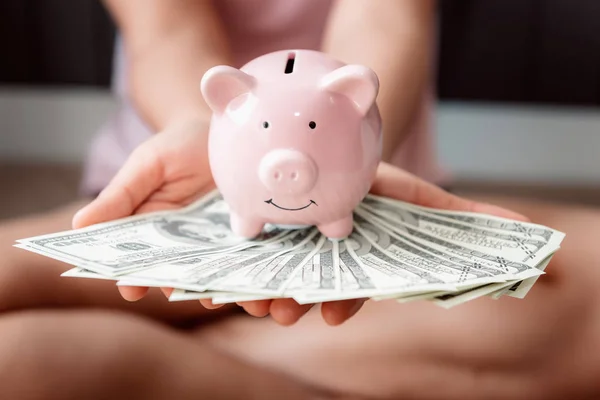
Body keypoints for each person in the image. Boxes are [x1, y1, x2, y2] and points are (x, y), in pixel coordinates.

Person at [0, 1, 598, 398]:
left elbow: (385, 15)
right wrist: (214, 137)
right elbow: (166, 27)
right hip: (174, 186)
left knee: (568, 287)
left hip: (370, 195)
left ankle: (182, 356)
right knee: (17, 271)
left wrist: (358, 151)